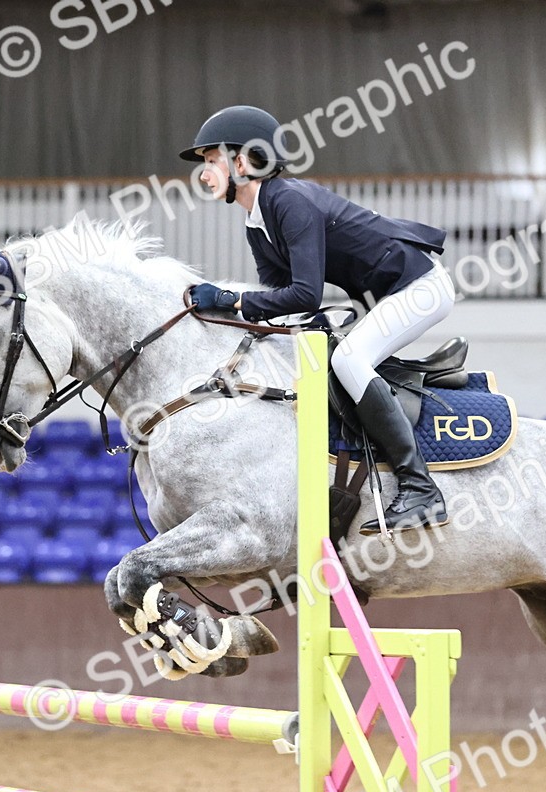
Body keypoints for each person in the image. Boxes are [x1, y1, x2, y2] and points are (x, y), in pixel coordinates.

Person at [181, 105, 456, 532]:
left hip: (419, 288)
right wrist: (225, 308)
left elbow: (306, 296)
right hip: (387, 295)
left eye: (211, 160)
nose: (204, 173)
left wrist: (231, 300)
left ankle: (420, 488)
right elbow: (280, 300)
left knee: (348, 360)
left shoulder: (289, 202)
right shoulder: (257, 220)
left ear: (241, 161)